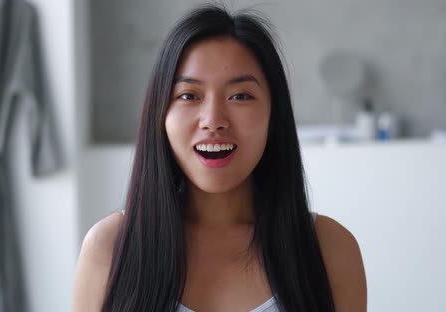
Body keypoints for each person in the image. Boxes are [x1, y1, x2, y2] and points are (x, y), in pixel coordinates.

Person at [73, 4, 366, 312]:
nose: (213, 120)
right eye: (189, 95)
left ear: (273, 115)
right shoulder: (108, 248)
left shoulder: (330, 249)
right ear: (160, 114)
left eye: (240, 96)